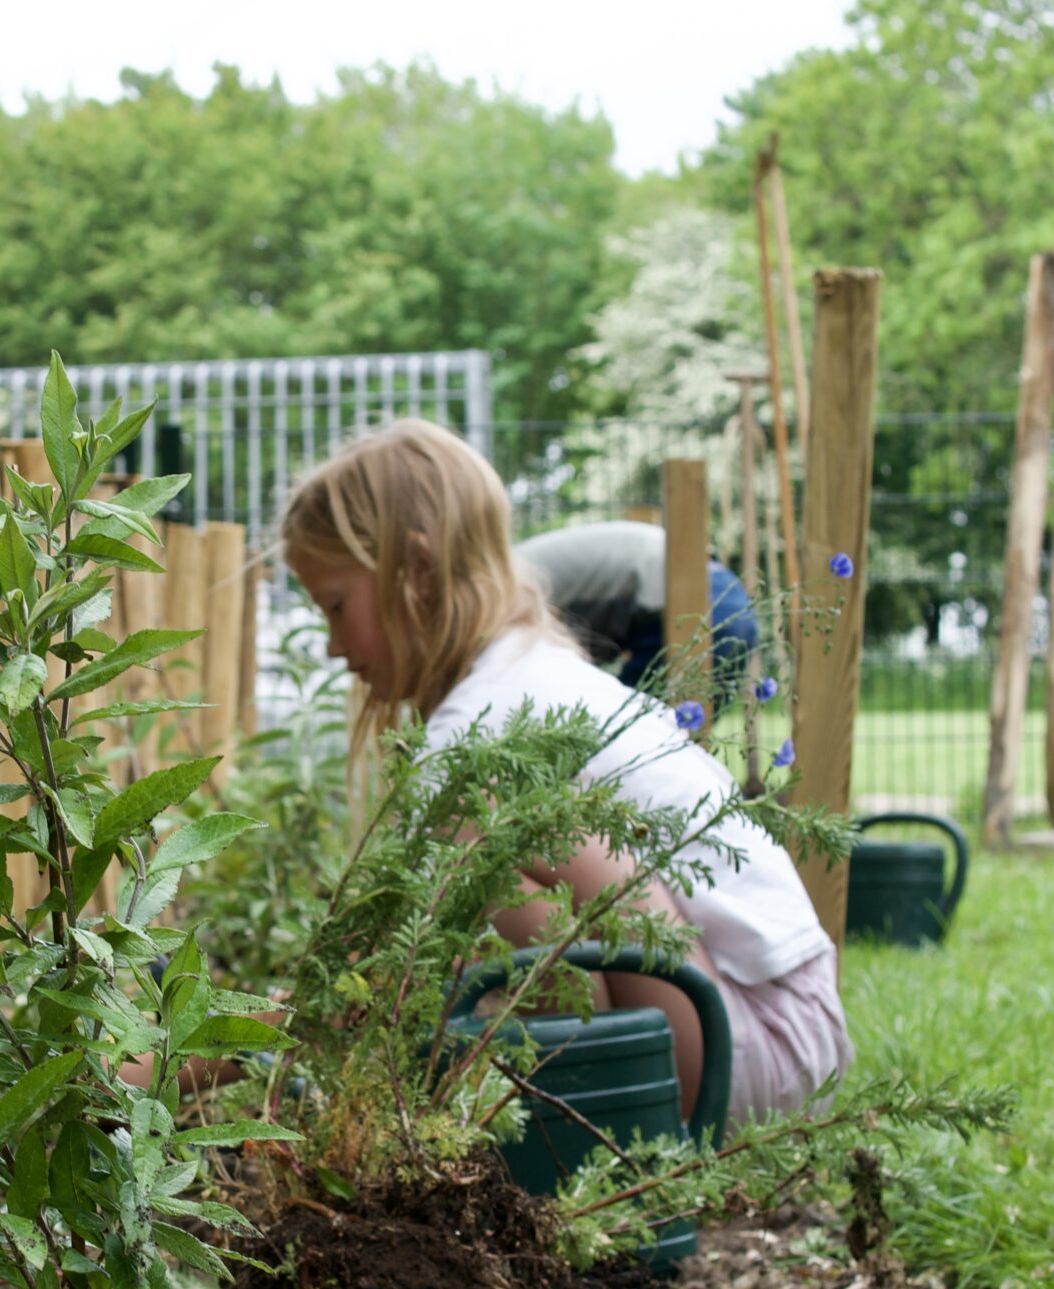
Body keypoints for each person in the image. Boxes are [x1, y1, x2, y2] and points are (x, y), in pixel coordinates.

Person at [280, 419, 849, 1125]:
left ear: (416, 573)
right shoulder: (528, 670)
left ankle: (594, 1127)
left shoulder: (481, 721)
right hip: (781, 1033)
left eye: (336, 607)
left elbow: (389, 964)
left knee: (473, 838)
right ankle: (595, 1110)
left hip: (746, 1048)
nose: (333, 646)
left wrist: (228, 1051)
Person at [515, 517, 758, 697]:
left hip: (690, 597)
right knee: (669, 739)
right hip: (720, 588)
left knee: (624, 733)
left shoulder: (499, 585)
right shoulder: (511, 571)